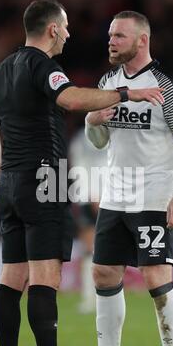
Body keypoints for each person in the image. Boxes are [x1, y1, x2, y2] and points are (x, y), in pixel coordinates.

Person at [0, 0, 164, 346]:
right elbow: (73, 100)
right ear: (51, 30)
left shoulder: (1, 70)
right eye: (64, 27)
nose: (68, 33)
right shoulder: (43, 66)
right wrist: (128, 93)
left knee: (11, 277)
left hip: (10, 182)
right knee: (46, 275)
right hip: (45, 180)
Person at [77, 11, 173, 346]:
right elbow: (99, 140)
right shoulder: (108, 81)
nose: (110, 41)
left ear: (142, 40)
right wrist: (91, 121)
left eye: (119, 36)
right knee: (103, 272)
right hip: (115, 194)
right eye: (110, 34)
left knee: (156, 277)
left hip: (154, 195)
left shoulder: (167, 84)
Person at [69, 128, 107, 314]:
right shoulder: (83, 138)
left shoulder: (109, 130)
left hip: (104, 196)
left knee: (99, 250)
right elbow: (80, 166)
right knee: (91, 250)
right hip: (91, 196)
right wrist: (93, 193)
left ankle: (98, 297)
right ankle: (91, 298)